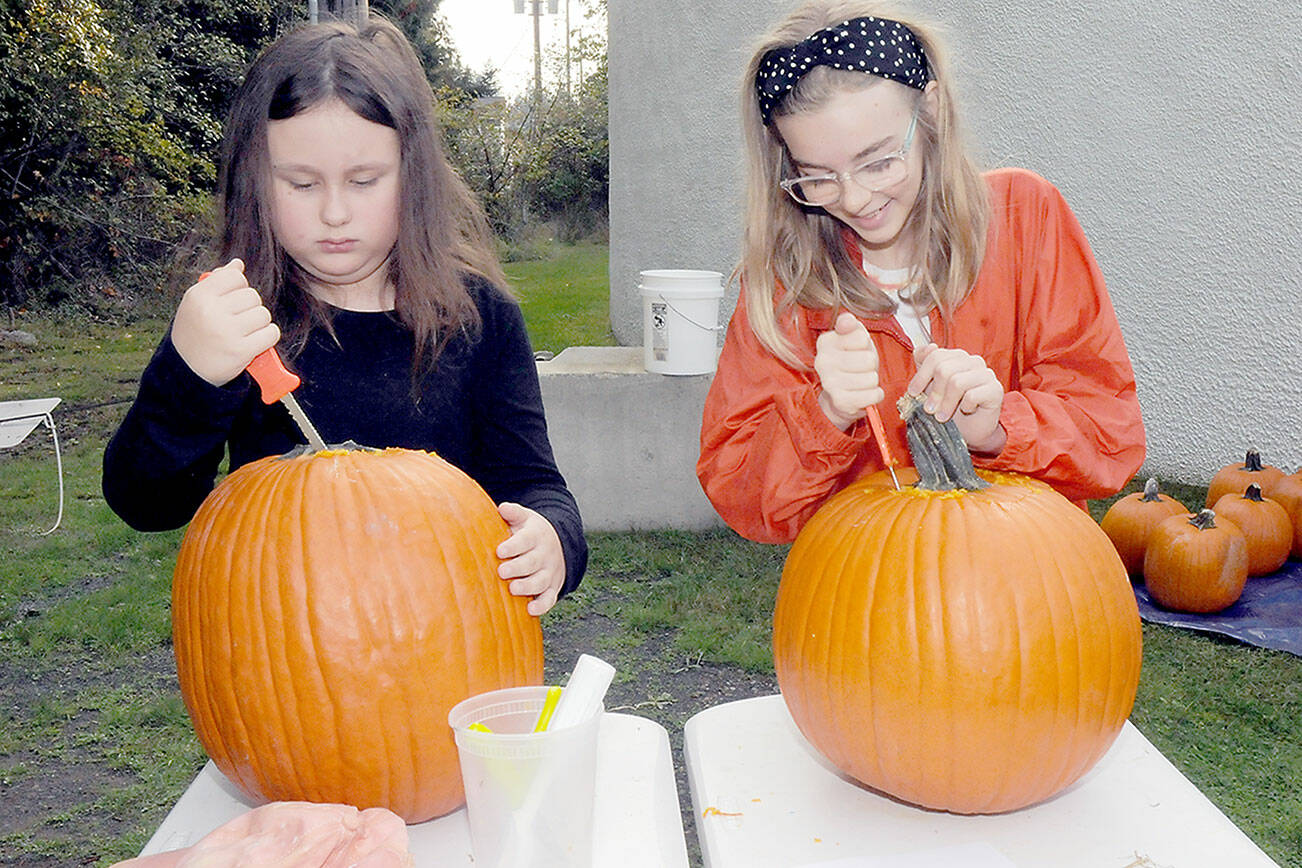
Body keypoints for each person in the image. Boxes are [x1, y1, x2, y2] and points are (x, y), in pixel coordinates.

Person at [102, 16, 585, 615]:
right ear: (257, 182)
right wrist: (191, 375)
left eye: (363, 181)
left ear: (414, 177)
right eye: (302, 184)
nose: (335, 212)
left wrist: (552, 541)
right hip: (285, 649)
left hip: (456, 646)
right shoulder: (244, 320)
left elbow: (537, 485)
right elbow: (146, 502)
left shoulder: (479, 316)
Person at [697, 0, 1146, 543]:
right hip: (872, 595)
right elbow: (741, 494)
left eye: (879, 161)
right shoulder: (785, 284)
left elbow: (1111, 435)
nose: (856, 199)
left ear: (929, 112)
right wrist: (825, 413)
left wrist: (997, 425)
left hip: (1030, 578)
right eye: (817, 177)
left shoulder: (1026, 216)